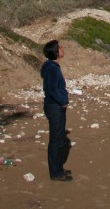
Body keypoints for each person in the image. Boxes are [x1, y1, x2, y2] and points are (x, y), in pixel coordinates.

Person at [41, 40, 72, 181]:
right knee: (56, 140)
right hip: (54, 106)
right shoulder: (52, 68)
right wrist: (63, 101)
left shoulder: (52, 67)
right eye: (60, 47)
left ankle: (58, 168)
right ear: (55, 52)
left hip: (54, 105)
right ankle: (56, 173)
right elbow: (52, 90)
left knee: (59, 138)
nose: (62, 48)